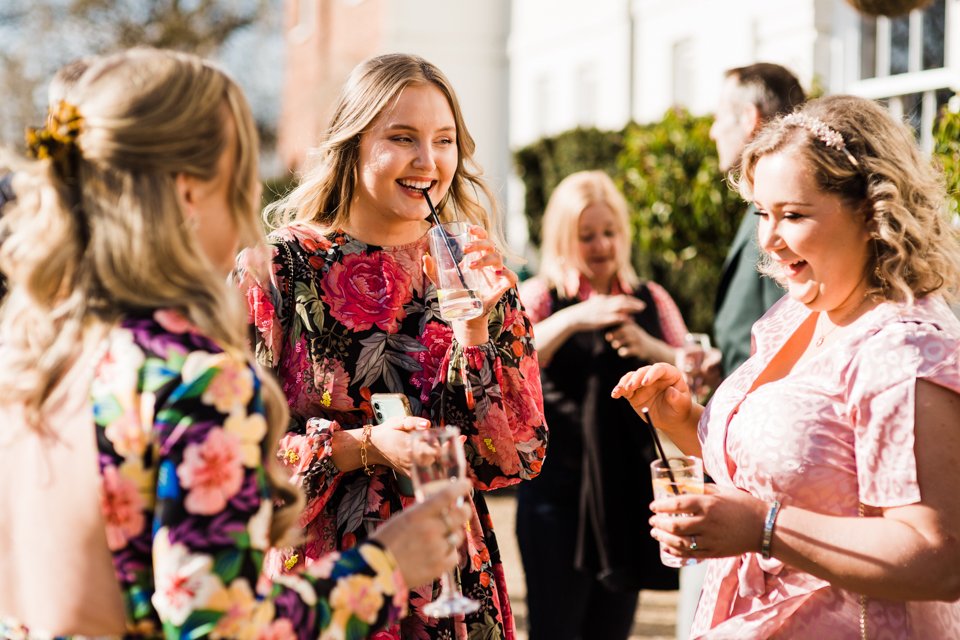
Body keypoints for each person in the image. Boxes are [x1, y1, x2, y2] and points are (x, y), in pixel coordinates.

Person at [0, 47, 473, 639]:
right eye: (240, 172)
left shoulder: (39, 358)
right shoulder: (197, 380)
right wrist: (387, 566)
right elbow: (221, 628)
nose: (254, 200)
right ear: (189, 191)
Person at [613, 94, 960, 638]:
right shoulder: (797, 315)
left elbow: (939, 557)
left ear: (873, 211)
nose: (769, 241)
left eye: (793, 215)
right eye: (761, 214)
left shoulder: (905, 349)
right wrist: (684, 420)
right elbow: (799, 471)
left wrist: (763, 529)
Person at [235, 52, 547, 639]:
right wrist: (361, 446)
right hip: (323, 589)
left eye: (444, 140)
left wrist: (476, 335)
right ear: (352, 144)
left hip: (451, 585)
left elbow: (513, 458)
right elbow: (229, 459)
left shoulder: (477, 273)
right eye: (402, 138)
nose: (428, 163)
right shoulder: (278, 269)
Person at [514, 170, 688, 640]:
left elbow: (693, 365)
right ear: (563, 239)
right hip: (557, 499)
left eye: (609, 233)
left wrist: (649, 347)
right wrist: (577, 318)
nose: (601, 246)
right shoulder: (542, 296)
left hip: (624, 498)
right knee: (558, 627)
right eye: (586, 236)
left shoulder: (650, 297)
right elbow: (515, 357)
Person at [708, 63, 805, 379]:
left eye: (719, 117)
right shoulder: (763, 201)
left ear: (749, 118)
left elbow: (793, 339)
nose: (713, 131)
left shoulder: (785, 218)